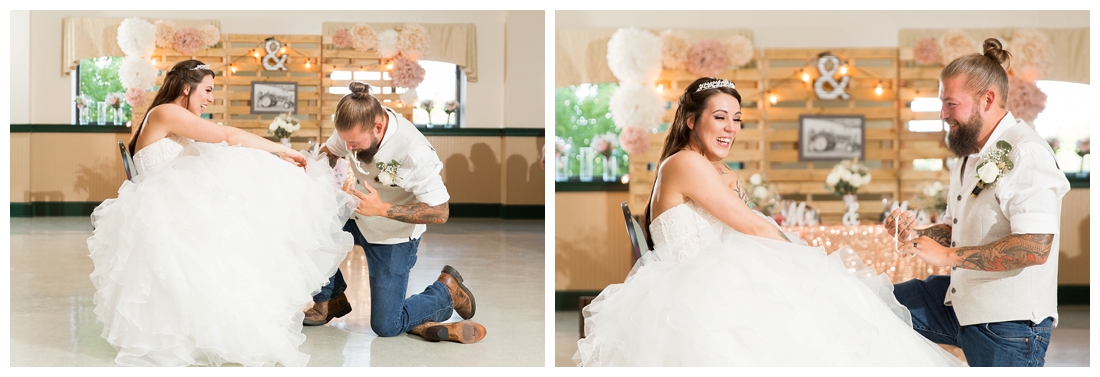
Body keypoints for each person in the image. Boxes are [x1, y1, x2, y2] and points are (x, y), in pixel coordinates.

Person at [573, 77, 965, 367]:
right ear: (691, 121)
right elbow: (753, 226)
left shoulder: (714, 168)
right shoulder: (684, 163)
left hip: (717, 278)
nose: (730, 127)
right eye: (720, 117)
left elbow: (754, 219)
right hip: (695, 293)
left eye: (737, 119)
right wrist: (814, 259)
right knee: (825, 308)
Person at [87, 60, 355, 366]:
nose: (211, 99)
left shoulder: (174, 115)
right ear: (186, 88)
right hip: (161, 207)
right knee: (242, 206)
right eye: (208, 90)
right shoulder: (166, 112)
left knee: (240, 189)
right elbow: (225, 133)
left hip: (164, 201)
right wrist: (282, 151)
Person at [885, 38, 1069, 367]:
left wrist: (947, 256)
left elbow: (1036, 246)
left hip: (1010, 326)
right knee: (875, 302)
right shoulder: (969, 156)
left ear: (987, 99)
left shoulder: (1026, 152)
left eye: (951, 104)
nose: (943, 114)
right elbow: (956, 230)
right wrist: (915, 237)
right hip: (962, 304)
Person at [305, 82, 486, 344]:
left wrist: (383, 209)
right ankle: (330, 299)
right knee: (310, 227)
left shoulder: (414, 152)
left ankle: (446, 292)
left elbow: (440, 211)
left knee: (387, 325)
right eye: (347, 142)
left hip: (393, 234)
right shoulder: (356, 125)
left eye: (354, 143)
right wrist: (312, 168)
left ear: (377, 128)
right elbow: (331, 151)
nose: (350, 148)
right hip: (356, 216)